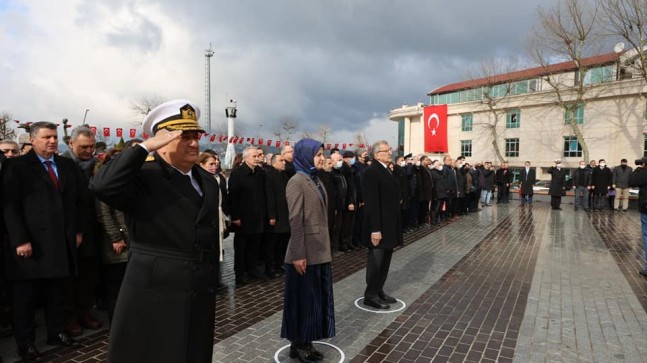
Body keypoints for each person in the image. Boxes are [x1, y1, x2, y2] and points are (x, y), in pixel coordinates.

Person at [90, 99, 220, 363]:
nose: (194, 143)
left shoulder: (206, 179)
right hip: (156, 286)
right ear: (162, 140)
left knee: (193, 350)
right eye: (184, 137)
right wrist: (144, 147)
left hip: (198, 285)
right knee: (156, 351)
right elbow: (102, 186)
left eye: (196, 136)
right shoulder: (145, 175)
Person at [3, 121, 83, 362]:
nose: (52, 141)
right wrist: (20, 240)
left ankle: (56, 332)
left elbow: (76, 201)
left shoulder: (66, 165)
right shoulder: (16, 166)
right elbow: (9, 207)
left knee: (57, 293)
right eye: (47, 137)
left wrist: (77, 231)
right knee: (25, 298)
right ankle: (25, 343)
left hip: (61, 242)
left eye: (54, 136)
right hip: (30, 244)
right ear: (33, 140)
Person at [281, 138, 335, 362]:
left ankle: (304, 343)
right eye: (318, 154)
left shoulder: (315, 179)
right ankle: (301, 345)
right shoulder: (297, 181)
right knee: (304, 301)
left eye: (322, 154)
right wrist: (298, 254)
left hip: (320, 250)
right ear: (305, 155)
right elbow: (295, 220)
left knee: (315, 301)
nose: (322, 158)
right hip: (305, 253)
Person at [61, 125, 102, 335]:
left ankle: (84, 311)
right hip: (70, 230)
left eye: (91, 147)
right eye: (83, 147)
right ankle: (69, 317)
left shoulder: (96, 164)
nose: (88, 151)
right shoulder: (62, 164)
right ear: (71, 144)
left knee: (89, 273)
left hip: (92, 227)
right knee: (71, 276)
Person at [362, 141, 402, 310]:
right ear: (377, 154)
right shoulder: (371, 172)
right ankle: (370, 294)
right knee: (376, 262)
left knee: (385, 260)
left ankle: (379, 290)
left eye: (389, 150)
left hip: (390, 225)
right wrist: (375, 230)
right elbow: (371, 203)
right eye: (386, 151)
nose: (390, 153)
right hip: (379, 226)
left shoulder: (386, 170)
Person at [94, 148, 129, 325]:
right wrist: (116, 238)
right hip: (116, 243)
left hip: (131, 241)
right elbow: (104, 214)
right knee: (115, 285)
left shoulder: (127, 180)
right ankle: (116, 322)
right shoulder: (105, 181)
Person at [228, 146, 267, 285]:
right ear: (245, 158)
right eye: (254, 156)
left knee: (254, 247)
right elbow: (232, 196)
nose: (257, 159)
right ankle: (240, 274)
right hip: (243, 218)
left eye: (258, 156)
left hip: (257, 216)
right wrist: (235, 216)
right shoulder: (238, 174)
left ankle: (252, 270)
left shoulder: (259, 173)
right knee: (241, 248)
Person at [264, 154, 290, 278]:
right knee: (272, 244)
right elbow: (270, 196)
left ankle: (280, 264)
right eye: (281, 160)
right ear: (273, 163)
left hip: (285, 214)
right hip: (276, 216)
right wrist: (272, 216)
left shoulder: (284, 175)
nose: (284, 162)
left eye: (284, 160)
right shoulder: (270, 175)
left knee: (282, 242)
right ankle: (271, 267)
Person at [629, 158, 647, 276]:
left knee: (646, 235)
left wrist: (638, 170)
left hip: (646, 207)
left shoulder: (643, 172)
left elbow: (632, 181)